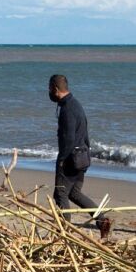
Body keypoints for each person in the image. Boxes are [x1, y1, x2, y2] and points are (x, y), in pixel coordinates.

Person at [48, 74, 106, 238]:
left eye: (49, 89)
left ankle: (63, 232)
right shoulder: (75, 104)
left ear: (55, 89)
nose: (49, 92)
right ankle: (102, 220)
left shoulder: (67, 109)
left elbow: (68, 139)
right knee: (74, 193)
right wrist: (86, 155)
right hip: (82, 158)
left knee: (60, 194)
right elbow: (85, 135)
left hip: (71, 160)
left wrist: (61, 160)